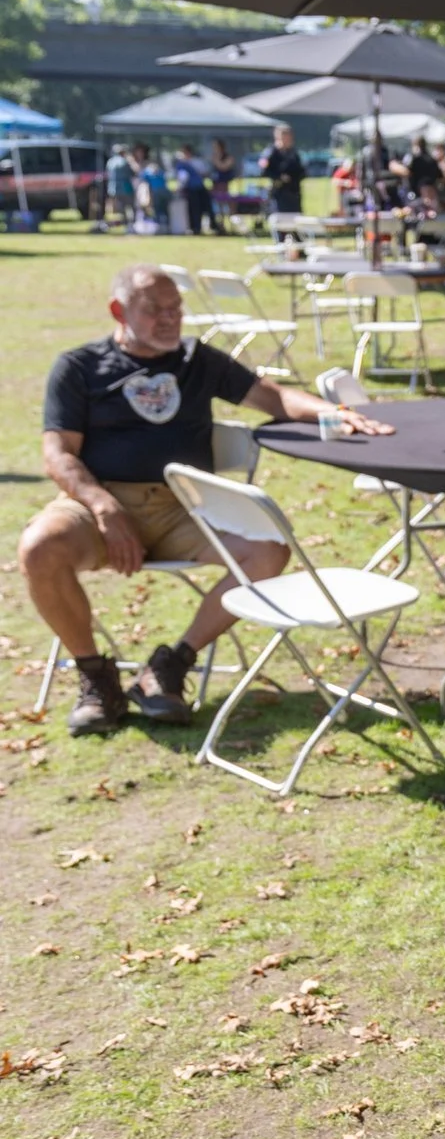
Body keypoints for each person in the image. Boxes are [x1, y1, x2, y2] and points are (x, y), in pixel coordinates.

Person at [20, 265, 392, 738]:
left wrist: (335, 412)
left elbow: (271, 397)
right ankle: (97, 679)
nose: (169, 320)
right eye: (153, 310)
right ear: (119, 311)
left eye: (175, 309)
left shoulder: (198, 359)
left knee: (268, 547)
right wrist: (102, 505)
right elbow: (58, 454)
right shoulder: (79, 367)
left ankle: (171, 665)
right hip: (99, 507)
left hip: (185, 508)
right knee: (38, 548)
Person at [258, 126, 305, 217]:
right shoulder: (271, 153)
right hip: (278, 193)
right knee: (280, 219)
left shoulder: (294, 153)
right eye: (284, 136)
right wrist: (279, 177)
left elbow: (301, 171)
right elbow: (264, 170)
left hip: (293, 192)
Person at [172, 145, 212, 236]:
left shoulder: (183, 164)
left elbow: (183, 178)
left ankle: (195, 228)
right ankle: (199, 228)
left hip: (192, 190)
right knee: (200, 210)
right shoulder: (198, 162)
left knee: (194, 210)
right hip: (200, 188)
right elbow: (205, 174)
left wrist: (179, 187)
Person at [401, 135, 445, 213]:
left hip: (419, 191)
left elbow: (408, 173)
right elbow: (440, 176)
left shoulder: (414, 159)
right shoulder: (432, 159)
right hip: (431, 189)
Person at [207, 139, 239, 233]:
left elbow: (223, 167)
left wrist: (216, 160)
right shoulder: (214, 157)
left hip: (227, 185)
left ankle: (232, 227)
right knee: (218, 207)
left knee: (230, 207)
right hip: (216, 185)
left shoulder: (228, 157)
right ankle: (221, 226)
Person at [105, 145, 136, 232]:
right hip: (126, 188)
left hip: (113, 189)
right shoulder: (124, 162)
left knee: (121, 208)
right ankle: (131, 225)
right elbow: (133, 173)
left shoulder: (110, 162)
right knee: (130, 207)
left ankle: (125, 224)